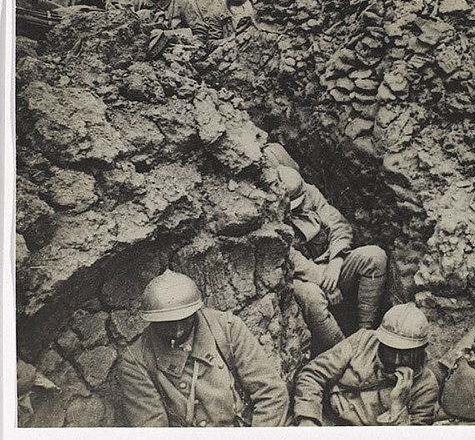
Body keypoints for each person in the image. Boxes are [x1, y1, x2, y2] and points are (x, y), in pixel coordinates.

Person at [117, 269, 290, 427]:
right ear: (152, 321)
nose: (177, 332)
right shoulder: (136, 360)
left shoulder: (227, 328)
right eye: (167, 324)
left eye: (185, 320)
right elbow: (152, 429)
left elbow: (272, 393)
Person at [278, 165, 387, 355]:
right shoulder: (269, 210)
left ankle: (364, 336)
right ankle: (346, 354)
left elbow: (338, 224)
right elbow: (287, 255)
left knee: (375, 257)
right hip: (300, 277)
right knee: (312, 297)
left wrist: (336, 261)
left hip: (329, 267)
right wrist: (323, 280)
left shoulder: (309, 192)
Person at [294, 303, 439, 426]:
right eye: (390, 349)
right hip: (323, 418)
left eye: (406, 353)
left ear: (420, 350)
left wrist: (398, 407)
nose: (396, 360)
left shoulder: (426, 387)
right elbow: (313, 375)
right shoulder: (362, 342)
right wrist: (308, 419)